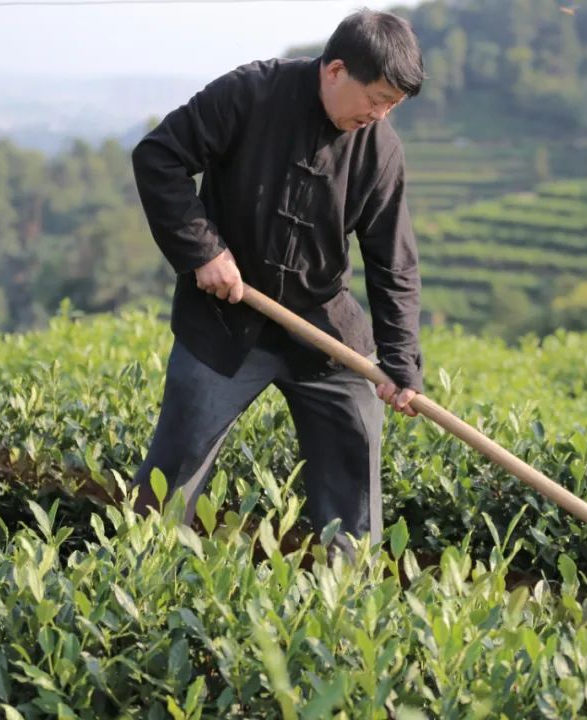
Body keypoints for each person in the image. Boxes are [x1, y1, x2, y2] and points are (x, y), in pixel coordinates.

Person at [129, 9, 425, 561]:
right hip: (224, 321)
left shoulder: (380, 150)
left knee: (354, 477)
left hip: (323, 327)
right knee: (172, 478)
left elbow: (394, 264)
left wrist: (401, 362)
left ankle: (346, 600)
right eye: (376, 98)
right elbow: (159, 157)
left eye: (393, 107)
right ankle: (146, 583)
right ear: (336, 70)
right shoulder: (250, 93)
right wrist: (204, 250)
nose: (380, 115)